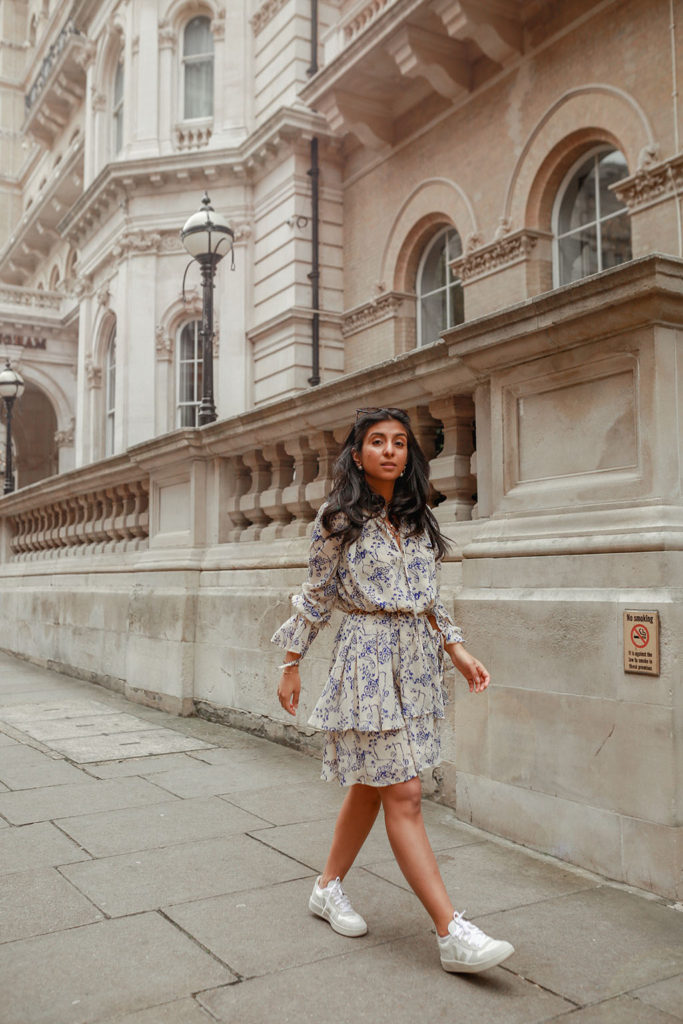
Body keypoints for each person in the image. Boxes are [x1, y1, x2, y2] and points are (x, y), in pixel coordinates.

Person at [272, 407, 514, 974]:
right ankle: (451, 932)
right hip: (367, 660)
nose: (389, 451)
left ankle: (326, 887)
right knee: (402, 792)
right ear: (357, 455)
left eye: (399, 442)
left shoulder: (416, 519)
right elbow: (316, 593)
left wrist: (457, 649)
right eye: (376, 442)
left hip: (416, 663)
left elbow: (429, 598)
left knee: (372, 785)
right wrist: (291, 662)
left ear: (409, 454)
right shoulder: (338, 519)